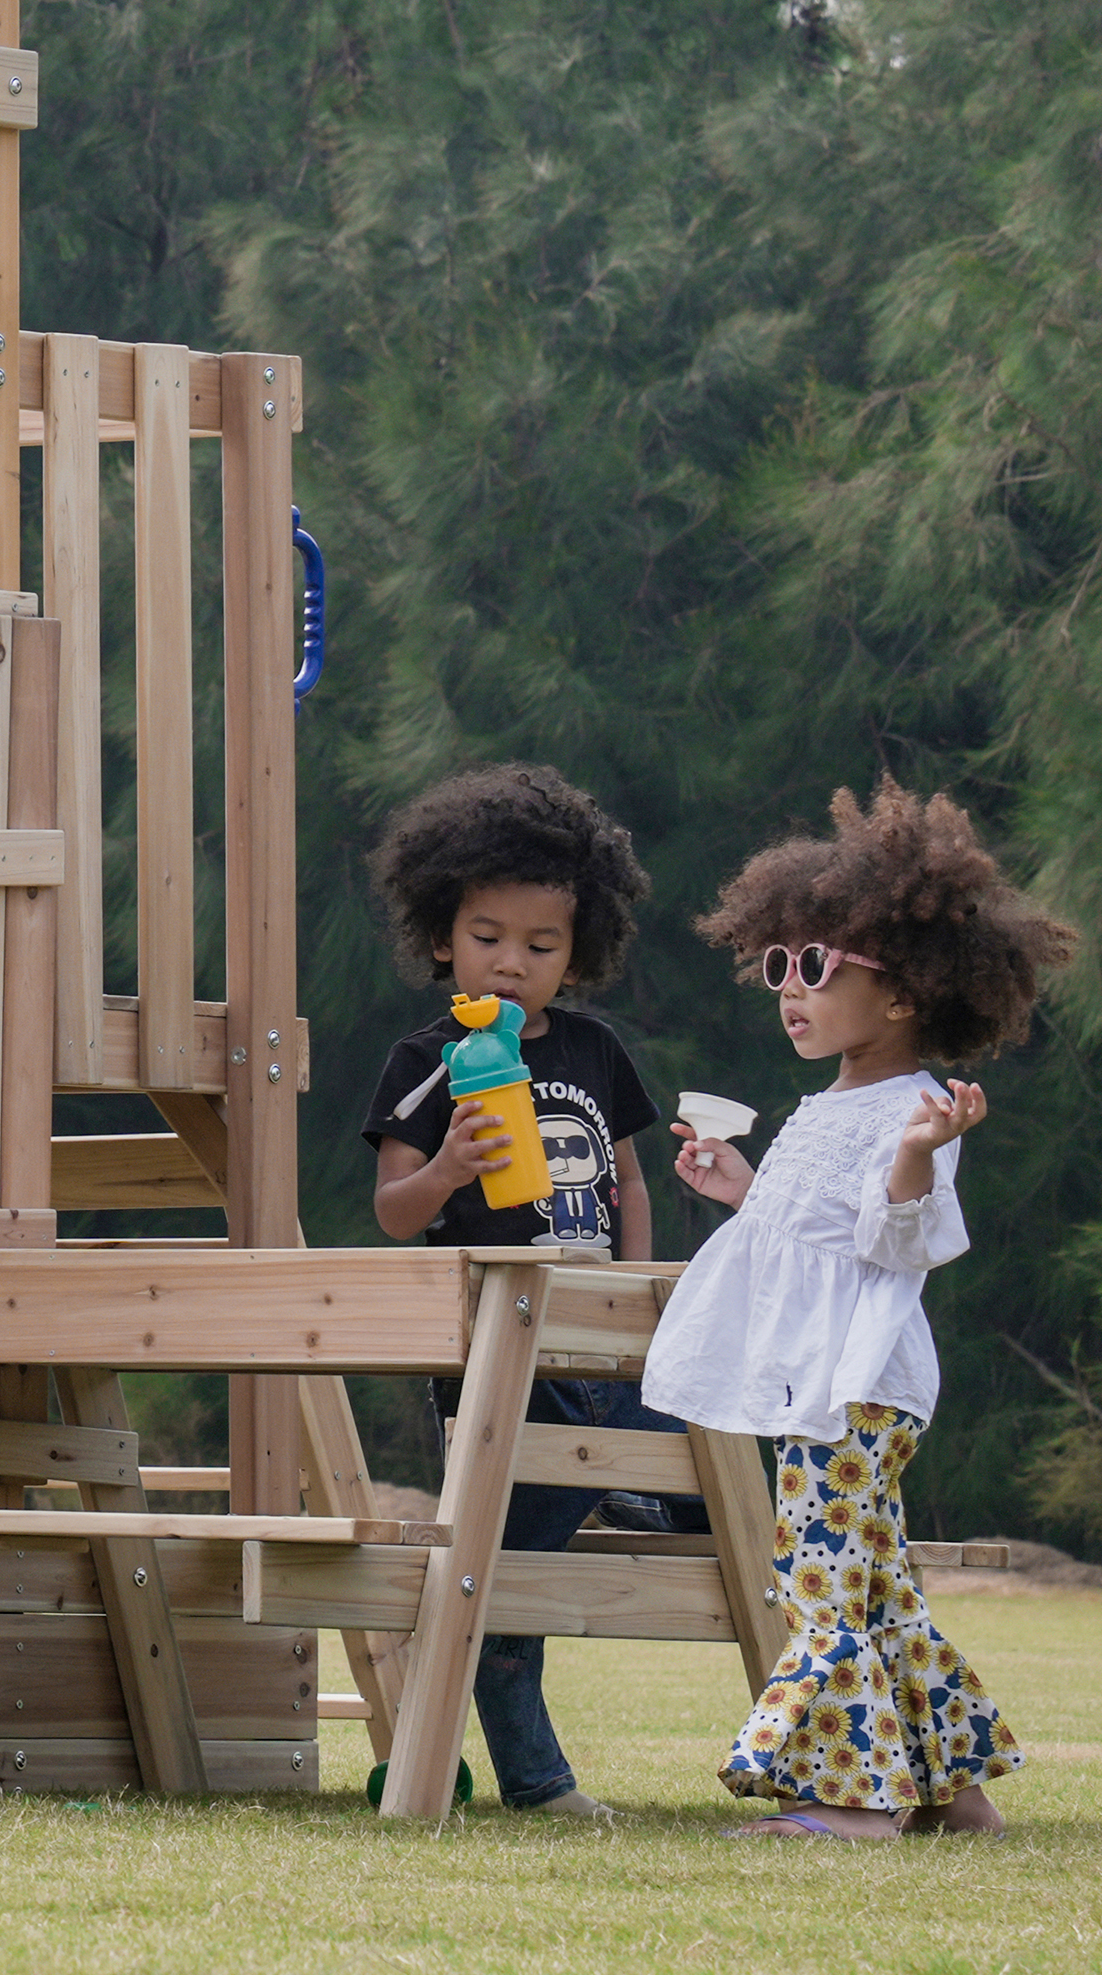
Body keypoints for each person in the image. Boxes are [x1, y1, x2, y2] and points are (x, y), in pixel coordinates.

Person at [655, 777, 1068, 1841]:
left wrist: (917, 1162)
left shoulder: (911, 1113)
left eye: (815, 969)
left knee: (820, 1582)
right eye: (778, 967)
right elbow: (812, 1238)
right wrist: (740, 1189)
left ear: (902, 996)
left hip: (851, 1391)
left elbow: (897, 1246)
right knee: (872, 1585)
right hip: (820, 1384)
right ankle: (951, 1790)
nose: (787, 989)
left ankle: (847, 1804)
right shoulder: (828, 1104)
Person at [356, 761, 689, 1820]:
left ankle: (630, 1489)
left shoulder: (593, 1049)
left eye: (541, 947)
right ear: (442, 937)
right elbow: (393, 1211)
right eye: (488, 938)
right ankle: (538, 1784)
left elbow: (627, 1180)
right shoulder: (428, 1057)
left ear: (576, 955)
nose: (511, 964)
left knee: (709, 1490)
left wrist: (640, 1297)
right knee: (501, 1576)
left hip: (603, 1341)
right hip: (498, 1355)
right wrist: (449, 1168)